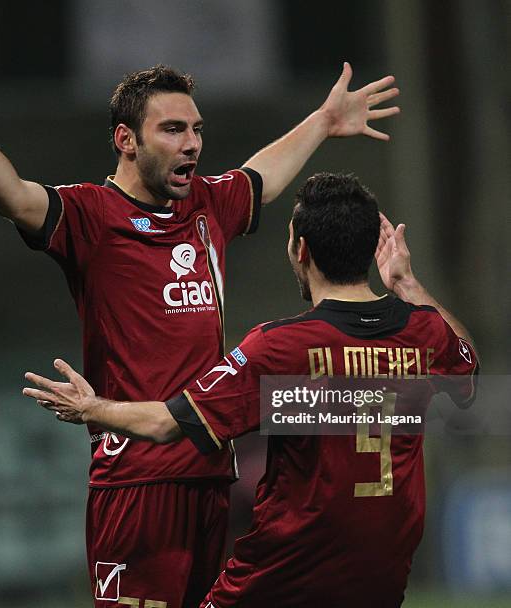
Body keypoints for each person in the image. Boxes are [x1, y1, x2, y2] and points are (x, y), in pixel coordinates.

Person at [0, 65, 399, 607]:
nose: (192, 144)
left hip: (208, 480)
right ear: (125, 140)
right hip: (136, 482)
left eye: (197, 130)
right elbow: (16, 198)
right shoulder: (92, 214)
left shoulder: (205, 205)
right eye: (174, 130)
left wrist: (323, 122)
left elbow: (260, 177)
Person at [24, 173, 479, 608]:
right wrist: (406, 283)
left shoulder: (281, 347)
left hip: (283, 575)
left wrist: (91, 408)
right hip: (381, 574)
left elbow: (167, 424)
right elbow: (468, 377)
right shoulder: (424, 333)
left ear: (301, 250)